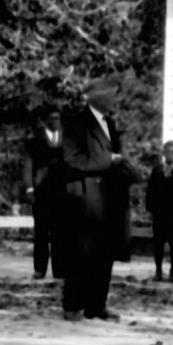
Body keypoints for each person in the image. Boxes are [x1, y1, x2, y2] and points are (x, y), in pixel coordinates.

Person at [55, 78, 137, 322]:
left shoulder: (110, 123)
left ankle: (96, 305)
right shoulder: (76, 123)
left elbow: (118, 156)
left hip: (109, 197)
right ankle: (72, 305)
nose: (114, 99)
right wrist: (107, 161)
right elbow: (72, 159)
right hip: (86, 197)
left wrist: (125, 169)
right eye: (110, 94)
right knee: (81, 254)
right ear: (97, 97)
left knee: (105, 254)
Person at [25, 108, 65, 281]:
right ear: (46, 121)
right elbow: (28, 166)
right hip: (41, 193)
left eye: (58, 118)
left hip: (62, 194)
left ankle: (60, 269)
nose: (55, 121)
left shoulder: (67, 141)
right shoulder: (35, 142)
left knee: (61, 233)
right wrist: (29, 187)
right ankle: (40, 268)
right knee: (41, 233)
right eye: (52, 118)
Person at [146, 142, 173, 282]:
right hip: (159, 213)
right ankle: (158, 271)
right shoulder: (157, 170)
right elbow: (150, 191)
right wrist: (150, 209)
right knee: (158, 244)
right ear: (163, 153)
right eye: (167, 151)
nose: (170, 153)